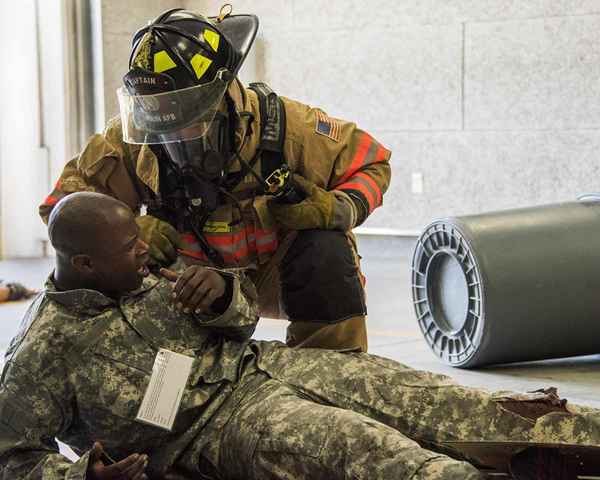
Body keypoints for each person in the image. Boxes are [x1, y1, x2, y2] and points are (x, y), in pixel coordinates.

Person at [2, 192, 600, 480]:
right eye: (129, 248)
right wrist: (81, 477)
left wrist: (221, 293)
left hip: (271, 364)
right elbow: (12, 459)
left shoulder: (141, 273)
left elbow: (237, 319)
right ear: (83, 265)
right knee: (376, 453)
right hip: (214, 425)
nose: (144, 253)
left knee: (443, 399)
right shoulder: (41, 353)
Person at [38, 7, 392, 353]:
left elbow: (372, 163)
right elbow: (62, 210)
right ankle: (170, 378)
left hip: (278, 277)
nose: (172, 137)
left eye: (185, 123)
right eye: (162, 125)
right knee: (114, 258)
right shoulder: (131, 139)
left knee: (326, 248)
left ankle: (331, 374)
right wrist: (126, 229)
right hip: (188, 284)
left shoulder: (289, 127)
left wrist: (339, 208)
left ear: (219, 100)